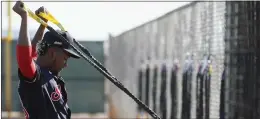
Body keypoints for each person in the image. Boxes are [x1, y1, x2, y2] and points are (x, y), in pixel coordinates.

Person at [13, 1, 80, 119]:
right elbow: (25, 59)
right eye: (65, 59)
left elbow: (32, 54)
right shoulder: (36, 78)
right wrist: (24, 18)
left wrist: (43, 24)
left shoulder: (48, 75)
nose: (66, 65)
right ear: (53, 54)